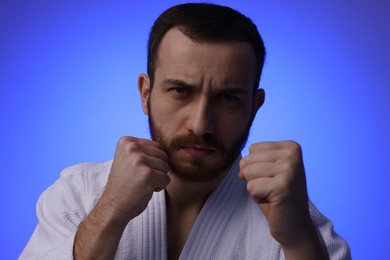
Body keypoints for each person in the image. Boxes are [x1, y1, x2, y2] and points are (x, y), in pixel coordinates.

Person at [20, 3, 351, 260]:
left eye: (227, 98)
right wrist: (111, 211)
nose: (200, 124)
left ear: (255, 104)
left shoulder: (296, 223)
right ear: (146, 94)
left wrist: (298, 240)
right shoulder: (80, 194)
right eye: (180, 90)